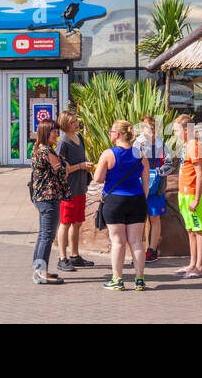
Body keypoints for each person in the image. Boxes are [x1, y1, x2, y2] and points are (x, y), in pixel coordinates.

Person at [92, 119, 150, 291]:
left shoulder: (108, 154)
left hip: (115, 201)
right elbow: (146, 180)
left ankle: (117, 280)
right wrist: (142, 198)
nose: (110, 134)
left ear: (117, 135)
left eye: (111, 132)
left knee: (118, 242)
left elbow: (98, 178)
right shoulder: (140, 154)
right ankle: (140, 280)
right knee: (136, 242)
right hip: (137, 200)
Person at [53, 110, 96, 272]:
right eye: (72, 122)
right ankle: (62, 258)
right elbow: (61, 168)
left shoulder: (79, 138)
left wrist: (87, 165)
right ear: (65, 124)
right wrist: (80, 166)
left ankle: (75, 255)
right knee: (65, 223)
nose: (76, 124)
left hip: (80, 187)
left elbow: (80, 159)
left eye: (76, 121)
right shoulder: (63, 142)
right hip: (68, 189)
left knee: (77, 223)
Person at [28, 119, 67, 285]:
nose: (56, 134)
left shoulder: (38, 148)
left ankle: (39, 268)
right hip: (48, 197)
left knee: (43, 234)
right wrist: (65, 164)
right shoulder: (46, 151)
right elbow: (61, 170)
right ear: (45, 132)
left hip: (41, 197)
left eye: (57, 131)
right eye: (54, 131)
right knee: (47, 236)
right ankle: (40, 272)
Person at [174, 115, 202, 278]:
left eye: (176, 130)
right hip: (184, 193)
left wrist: (197, 198)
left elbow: (200, 173)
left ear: (186, 129)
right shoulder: (186, 146)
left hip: (192, 194)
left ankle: (200, 267)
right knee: (190, 230)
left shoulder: (194, 146)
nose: (175, 134)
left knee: (199, 229)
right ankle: (193, 263)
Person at [137, 114, 170, 263]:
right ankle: (139, 250)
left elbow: (169, 164)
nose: (150, 132)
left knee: (155, 218)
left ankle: (152, 250)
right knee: (140, 219)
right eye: (147, 128)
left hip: (156, 189)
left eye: (153, 128)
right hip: (139, 187)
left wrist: (157, 173)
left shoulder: (161, 144)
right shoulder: (137, 144)